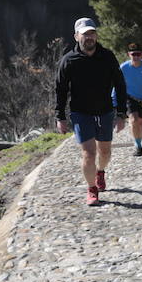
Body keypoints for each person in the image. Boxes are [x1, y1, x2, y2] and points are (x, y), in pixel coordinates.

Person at [54, 17, 127, 206]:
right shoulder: (68, 61)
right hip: (81, 112)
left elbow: (119, 84)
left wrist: (121, 113)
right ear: (76, 36)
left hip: (105, 111)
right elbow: (60, 90)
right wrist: (60, 116)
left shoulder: (107, 56)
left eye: (92, 33)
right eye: (85, 34)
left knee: (105, 152)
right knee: (88, 153)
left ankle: (100, 172)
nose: (89, 37)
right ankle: (92, 188)